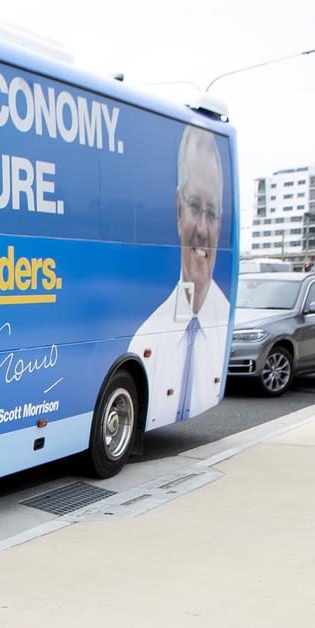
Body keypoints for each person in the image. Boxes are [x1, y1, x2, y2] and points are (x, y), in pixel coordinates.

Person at [129, 126, 231, 430]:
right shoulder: (145, 338)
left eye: (211, 213)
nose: (202, 228)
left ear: (221, 221)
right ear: (178, 209)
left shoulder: (223, 322)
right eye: (195, 207)